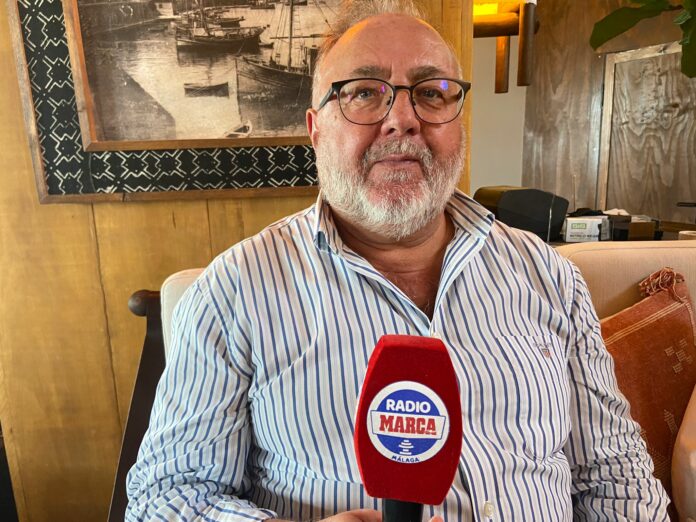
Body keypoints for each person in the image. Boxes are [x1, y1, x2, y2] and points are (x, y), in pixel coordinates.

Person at [126, 0, 670, 520]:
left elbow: (615, 475)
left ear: (458, 122)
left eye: (432, 93)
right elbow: (164, 498)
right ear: (316, 130)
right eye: (364, 93)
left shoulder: (548, 275)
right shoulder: (232, 293)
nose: (403, 119)